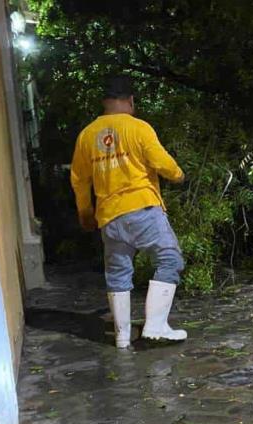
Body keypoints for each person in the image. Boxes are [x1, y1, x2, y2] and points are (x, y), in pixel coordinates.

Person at [70, 75, 188, 348]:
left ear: (104, 103)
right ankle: (156, 326)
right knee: (170, 259)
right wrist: (179, 175)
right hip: (143, 209)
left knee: (118, 272)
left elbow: (79, 179)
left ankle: (122, 336)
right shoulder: (138, 128)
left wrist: (85, 212)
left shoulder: (87, 135)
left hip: (109, 217)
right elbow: (162, 162)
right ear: (131, 101)